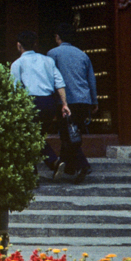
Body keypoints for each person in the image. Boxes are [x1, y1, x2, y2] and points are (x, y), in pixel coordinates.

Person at [10, 30, 71, 177]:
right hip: (49, 102)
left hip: (31, 101)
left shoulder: (17, 64)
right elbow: (59, 82)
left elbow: (15, 88)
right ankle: (51, 164)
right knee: (36, 136)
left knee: (29, 137)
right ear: (35, 44)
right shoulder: (47, 61)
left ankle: (39, 170)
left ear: (19, 45)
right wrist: (65, 104)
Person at [48, 23, 98, 183]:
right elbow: (91, 79)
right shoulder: (83, 55)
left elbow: (51, 78)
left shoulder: (53, 54)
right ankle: (68, 168)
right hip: (83, 100)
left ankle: (83, 165)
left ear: (58, 37)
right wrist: (94, 101)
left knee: (67, 135)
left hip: (66, 101)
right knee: (73, 134)